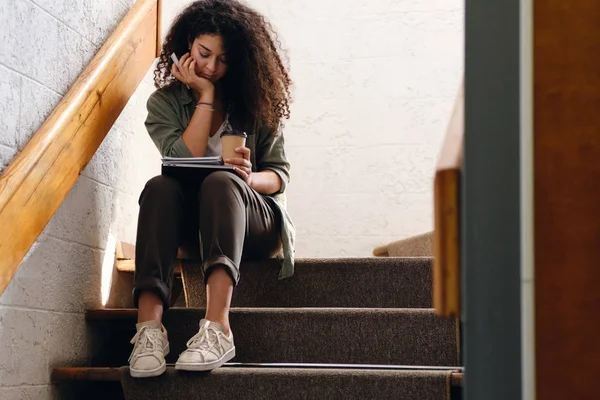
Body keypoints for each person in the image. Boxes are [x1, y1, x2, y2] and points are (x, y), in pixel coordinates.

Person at [128, 0, 295, 378]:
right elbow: (182, 157)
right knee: (159, 187)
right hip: (197, 221)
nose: (212, 67)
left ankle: (218, 329)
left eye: (224, 59)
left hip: (253, 219)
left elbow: (280, 175)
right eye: (204, 54)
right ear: (188, 46)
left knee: (223, 181)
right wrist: (204, 96)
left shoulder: (256, 101)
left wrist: (248, 179)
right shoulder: (165, 104)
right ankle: (149, 330)